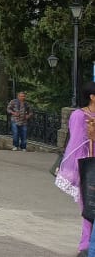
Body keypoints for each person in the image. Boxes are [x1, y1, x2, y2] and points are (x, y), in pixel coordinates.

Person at [54, 81, 95, 256]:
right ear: (92, 97)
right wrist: (78, 170)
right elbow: (76, 144)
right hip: (87, 167)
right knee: (89, 208)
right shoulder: (79, 115)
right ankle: (85, 246)